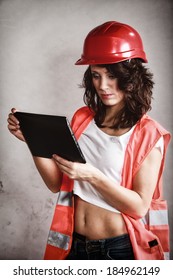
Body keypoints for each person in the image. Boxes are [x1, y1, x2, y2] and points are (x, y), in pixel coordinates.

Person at [7, 21, 171, 260]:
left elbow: (139, 207)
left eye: (112, 76)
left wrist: (91, 175)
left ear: (132, 77)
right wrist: (34, 140)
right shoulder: (82, 118)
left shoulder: (148, 133)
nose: (102, 86)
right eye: (96, 75)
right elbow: (56, 184)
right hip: (73, 245)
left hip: (117, 250)